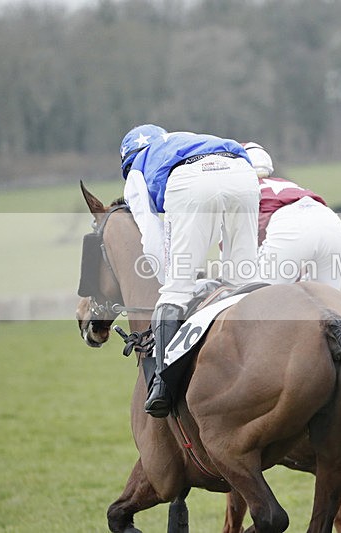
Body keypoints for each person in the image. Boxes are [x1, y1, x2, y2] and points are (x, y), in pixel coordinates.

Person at [120, 125, 260, 417]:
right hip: (242, 172)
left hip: (191, 181)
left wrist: (173, 279)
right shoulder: (183, 140)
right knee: (243, 281)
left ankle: (162, 387)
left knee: (175, 291)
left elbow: (152, 237)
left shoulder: (137, 170)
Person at [243, 142, 341, 289]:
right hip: (330, 221)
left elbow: (236, 253)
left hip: (289, 224)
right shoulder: (286, 183)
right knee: (330, 298)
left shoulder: (241, 191)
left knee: (255, 297)